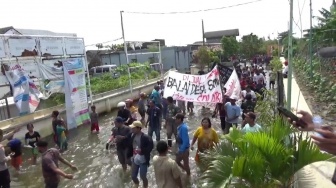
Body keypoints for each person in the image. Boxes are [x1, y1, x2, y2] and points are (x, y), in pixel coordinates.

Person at [126, 121, 154, 188]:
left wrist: (142, 151)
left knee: (143, 176)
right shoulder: (132, 135)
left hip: (143, 159)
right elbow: (129, 146)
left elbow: (151, 147)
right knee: (133, 176)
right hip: (135, 158)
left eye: (133, 128)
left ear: (139, 128)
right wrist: (128, 155)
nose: (132, 129)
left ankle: (145, 186)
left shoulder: (146, 137)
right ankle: (137, 184)